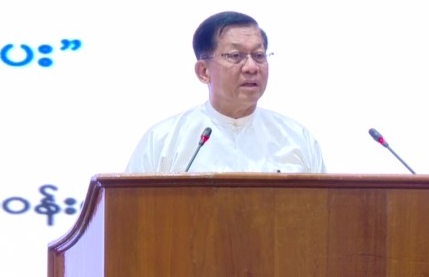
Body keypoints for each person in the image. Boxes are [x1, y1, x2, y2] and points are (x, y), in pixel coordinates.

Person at [125, 11, 326, 173]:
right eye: (235, 55)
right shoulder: (163, 141)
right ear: (203, 72)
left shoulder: (297, 139)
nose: (251, 67)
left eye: (259, 55)